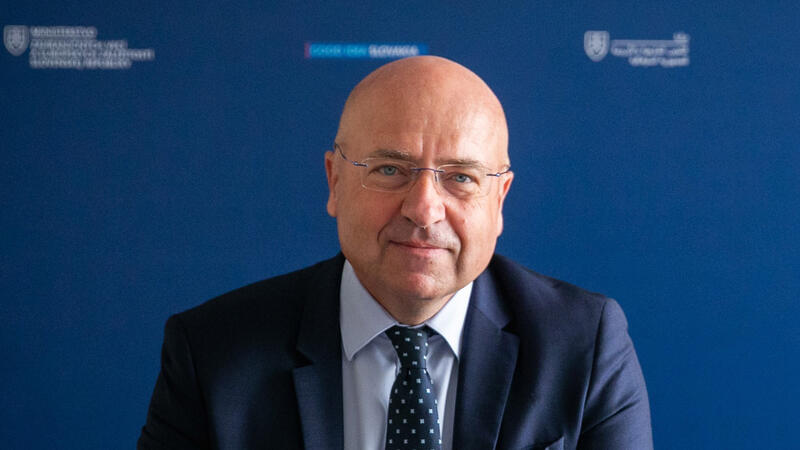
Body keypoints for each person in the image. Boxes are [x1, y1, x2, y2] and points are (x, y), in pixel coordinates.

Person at [138, 56, 652, 450]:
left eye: (460, 178)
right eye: (389, 170)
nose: (424, 209)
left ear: (499, 201)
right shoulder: (212, 353)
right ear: (334, 182)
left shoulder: (584, 346)